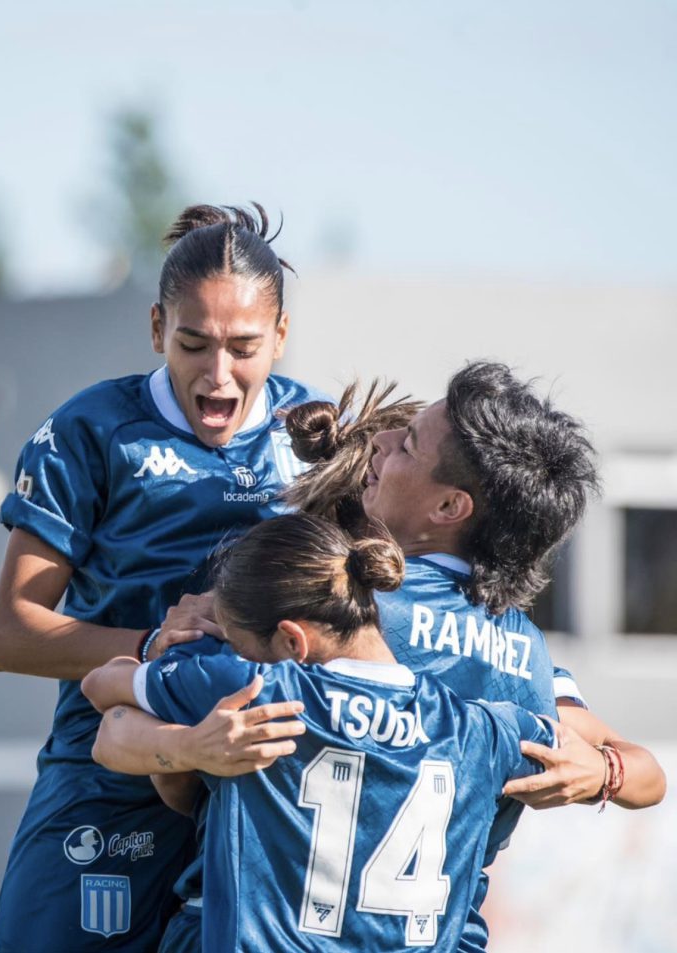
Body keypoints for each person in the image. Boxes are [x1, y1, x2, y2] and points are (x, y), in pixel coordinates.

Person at [0, 203, 330, 953]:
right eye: (193, 343)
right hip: (110, 776)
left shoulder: (315, 437)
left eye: (243, 347)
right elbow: (9, 633)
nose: (218, 373)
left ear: (280, 335)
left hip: (254, 786)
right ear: (154, 330)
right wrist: (149, 643)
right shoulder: (90, 431)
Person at [283, 363, 666, 950]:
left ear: (450, 509)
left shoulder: (339, 600)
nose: (380, 443)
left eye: (407, 444)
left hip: (293, 930)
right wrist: (603, 773)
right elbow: (649, 776)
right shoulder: (522, 654)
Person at [83, 513, 558, 953]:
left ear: (292, 641)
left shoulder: (259, 691)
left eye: (238, 643)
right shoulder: (482, 731)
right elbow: (566, 749)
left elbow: (101, 688)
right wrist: (608, 768)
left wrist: (185, 688)